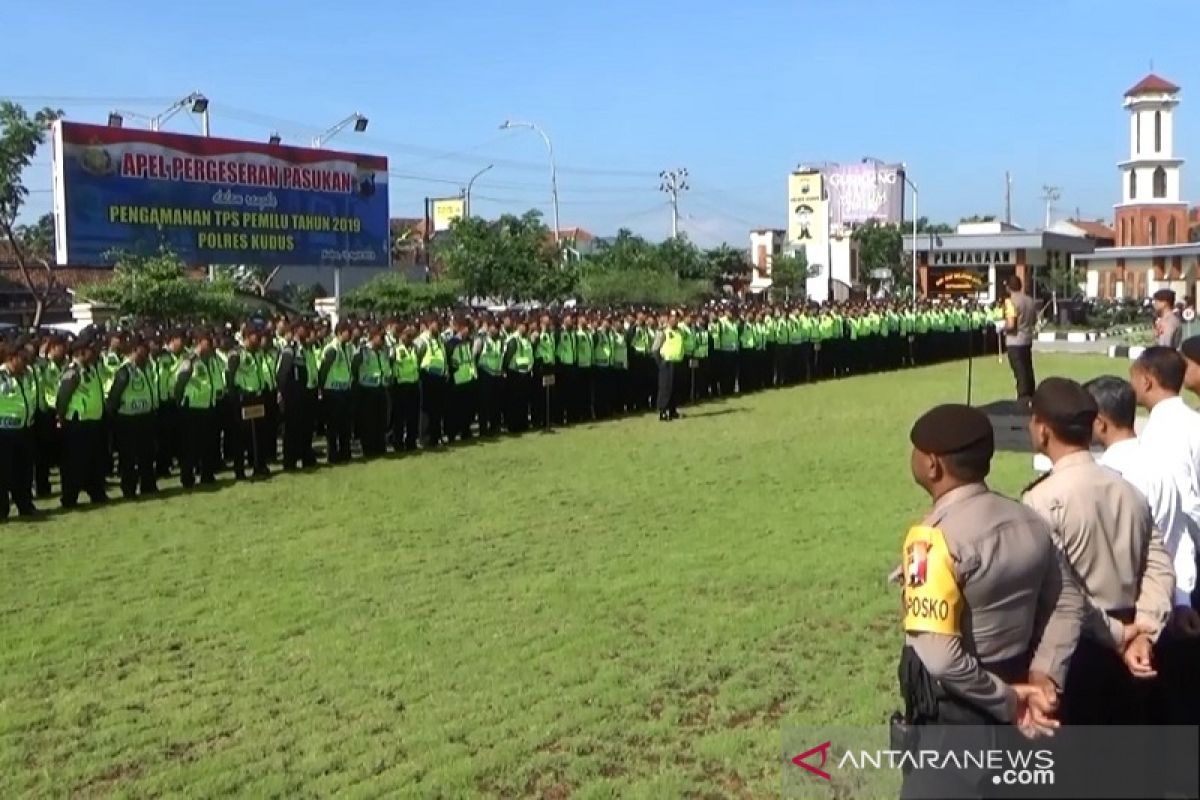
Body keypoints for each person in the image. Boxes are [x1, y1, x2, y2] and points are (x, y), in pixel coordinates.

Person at [896, 404, 1081, 798]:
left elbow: (941, 657)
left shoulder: (931, 542)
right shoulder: (1029, 519)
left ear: (932, 465)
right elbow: (1067, 602)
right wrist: (1044, 675)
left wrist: (1008, 700)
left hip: (956, 720)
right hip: (1018, 704)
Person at [1022, 377, 1175, 724]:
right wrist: (1145, 630)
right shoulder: (1128, 490)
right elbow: (1159, 568)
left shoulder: (1041, 502)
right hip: (1133, 643)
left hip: (1075, 650)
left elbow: (1065, 594)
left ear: (1043, 431)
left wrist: (1121, 637)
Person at [1084, 375, 1200, 725]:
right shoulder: (1162, 464)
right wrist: (1181, 603)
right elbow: (1179, 539)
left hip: (1123, 618)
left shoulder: (1108, 476)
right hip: (1164, 605)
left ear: (1099, 422)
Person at [56, 336, 109, 507]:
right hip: (77, 424)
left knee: (95, 461)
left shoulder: (91, 369)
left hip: (93, 422)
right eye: (89, 350)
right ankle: (69, 497)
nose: (93, 353)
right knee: (75, 463)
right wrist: (61, 417)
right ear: (80, 352)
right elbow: (62, 398)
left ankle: (96, 491)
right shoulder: (72, 373)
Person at [105, 336, 159, 498]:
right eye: (144, 349)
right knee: (128, 457)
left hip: (146, 417)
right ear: (135, 350)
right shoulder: (125, 371)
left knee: (147, 454)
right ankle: (129, 488)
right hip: (128, 420)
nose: (147, 352)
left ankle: (148, 484)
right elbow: (114, 397)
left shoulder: (147, 367)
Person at [173, 331, 221, 489]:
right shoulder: (190, 359)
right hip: (192, 408)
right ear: (200, 342)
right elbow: (180, 380)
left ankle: (207, 474)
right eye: (208, 341)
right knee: (190, 446)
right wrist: (180, 401)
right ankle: (187, 477)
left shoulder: (212, 359)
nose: (212, 344)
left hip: (208, 406)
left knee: (208, 444)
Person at [224, 326, 271, 479]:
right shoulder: (236, 354)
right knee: (241, 436)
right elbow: (229, 377)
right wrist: (234, 397)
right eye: (254, 336)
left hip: (257, 396)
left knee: (259, 434)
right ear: (246, 336)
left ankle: (259, 465)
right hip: (242, 398)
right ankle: (240, 470)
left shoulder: (257, 353)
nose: (258, 340)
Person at [0, 342, 39, 519]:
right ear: (11, 358)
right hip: (4, 432)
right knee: (3, 473)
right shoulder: (1, 376)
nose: (25, 363)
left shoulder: (27, 374)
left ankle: (25, 504)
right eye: (22, 359)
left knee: (24, 472)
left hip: (25, 429)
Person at [276, 321, 318, 470]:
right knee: (292, 430)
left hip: (305, 394)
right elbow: (282, 374)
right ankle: (290, 461)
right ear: (295, 330)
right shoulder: (290, 349)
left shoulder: (305, 349)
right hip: (293, 396)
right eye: (303, 328)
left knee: (305, 428)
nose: (306, 331)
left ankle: (306, 456)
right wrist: (283, 393)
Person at [317, 322, 355, 464]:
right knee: (333, 426)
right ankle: (333, 454)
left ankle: (345, 452)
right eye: (347, 331)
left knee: (345, 425)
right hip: (332, 391)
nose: (350, 334)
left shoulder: (348, 348)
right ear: (339, 332)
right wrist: (321, 389)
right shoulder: (332, 349)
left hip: (345, 390)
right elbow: (323, 371)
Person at [34, 336, 67, 498]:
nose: (63, 350)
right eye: (59, 347)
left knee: (63, 452)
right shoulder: (43, 366)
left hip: (62, 410)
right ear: (51, 348)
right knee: (43, 455)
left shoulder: (66, 365)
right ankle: (42, 486)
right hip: (47, 412)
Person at [353, 327, 391, 458]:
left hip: (381, 388)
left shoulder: (383, 351)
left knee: (381, 421)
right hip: (367, 390)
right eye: (381, 337)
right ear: (373, 336)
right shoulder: (363, 351)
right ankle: (369, 449)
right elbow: (354, 368)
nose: (383, 340)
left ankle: (380, 447)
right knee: (369, 422)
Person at [1002, 275, 1037, 407]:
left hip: (1014, 341)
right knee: (1028, 370)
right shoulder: (1029, 300)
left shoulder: (1010, 302)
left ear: (1008, 288)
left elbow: (1011, 325)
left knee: (1020, 373)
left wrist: (1002, 327)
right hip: (1027, 340)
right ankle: (1032, 398)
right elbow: (1034, 321)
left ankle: (1023, 400)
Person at [389, 325, 421, 451]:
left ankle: (411, 441)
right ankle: (398, 442)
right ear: (401, 336)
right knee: (399, 418)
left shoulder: (414, 349)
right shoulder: (395, 350)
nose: (410, 339)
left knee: (413, 417)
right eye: (408, 336)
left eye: (412, 336)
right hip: (400, 386)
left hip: (413, 384)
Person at [651, 312, 684, 422]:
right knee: (665, 388)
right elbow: (655, 349)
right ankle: (663, 412)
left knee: (676, 388)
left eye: (677, 318)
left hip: (677, 362)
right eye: (673, 318)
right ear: (668, 319)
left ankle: (673, 410)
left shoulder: (680, 332)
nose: (675, 320)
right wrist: (661, 363)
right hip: (666, 363)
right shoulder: (663, 332)